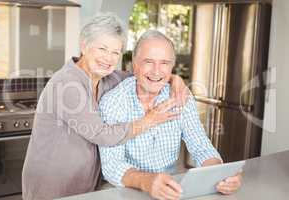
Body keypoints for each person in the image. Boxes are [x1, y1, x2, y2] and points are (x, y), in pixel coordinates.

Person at [22, 13, 189, 200]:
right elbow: (102, 134)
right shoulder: (66, 84)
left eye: (115, 52)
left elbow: (144, 75)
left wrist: (174, 78)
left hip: (85, 184)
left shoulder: (108, 78)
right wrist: (149, 120)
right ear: (84, 45)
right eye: (102, 48)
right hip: (52, 184)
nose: (108, 58)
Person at [99, 30, 242, 200]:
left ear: (172, 67)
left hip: (170, 189)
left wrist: (219, 174)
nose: (157, 71)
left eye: (164, 63)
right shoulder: (113, 102)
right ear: (134, 66)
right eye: (148, 62)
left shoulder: (180, 97)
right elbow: (112, 165)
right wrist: (148, 182)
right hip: (125, 190)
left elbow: (200, 146)